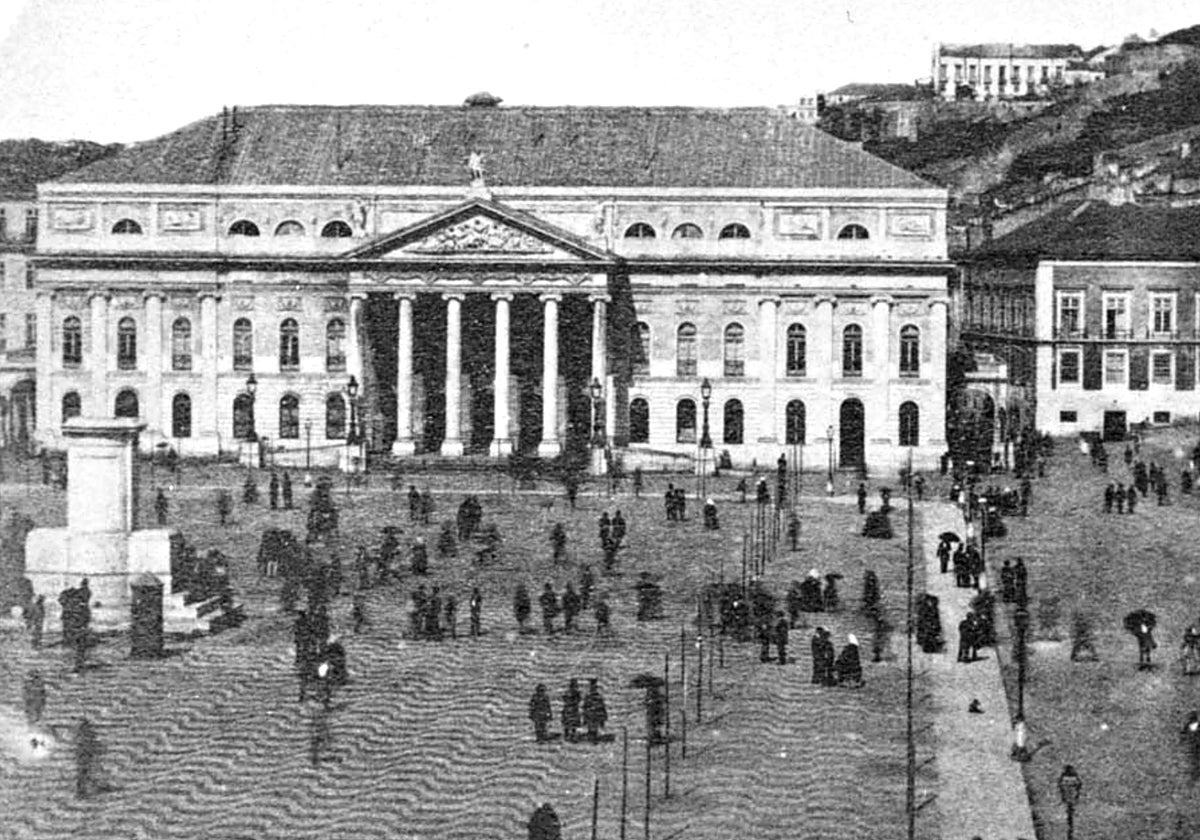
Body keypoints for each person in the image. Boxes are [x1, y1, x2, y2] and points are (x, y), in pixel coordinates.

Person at [75, 717, 105, 799]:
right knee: (85, 772)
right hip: (85, 756)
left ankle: (84, 790)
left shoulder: (83, 736)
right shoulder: (85, 736)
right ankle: (83, 791)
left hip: (85, 756)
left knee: (86, 772)